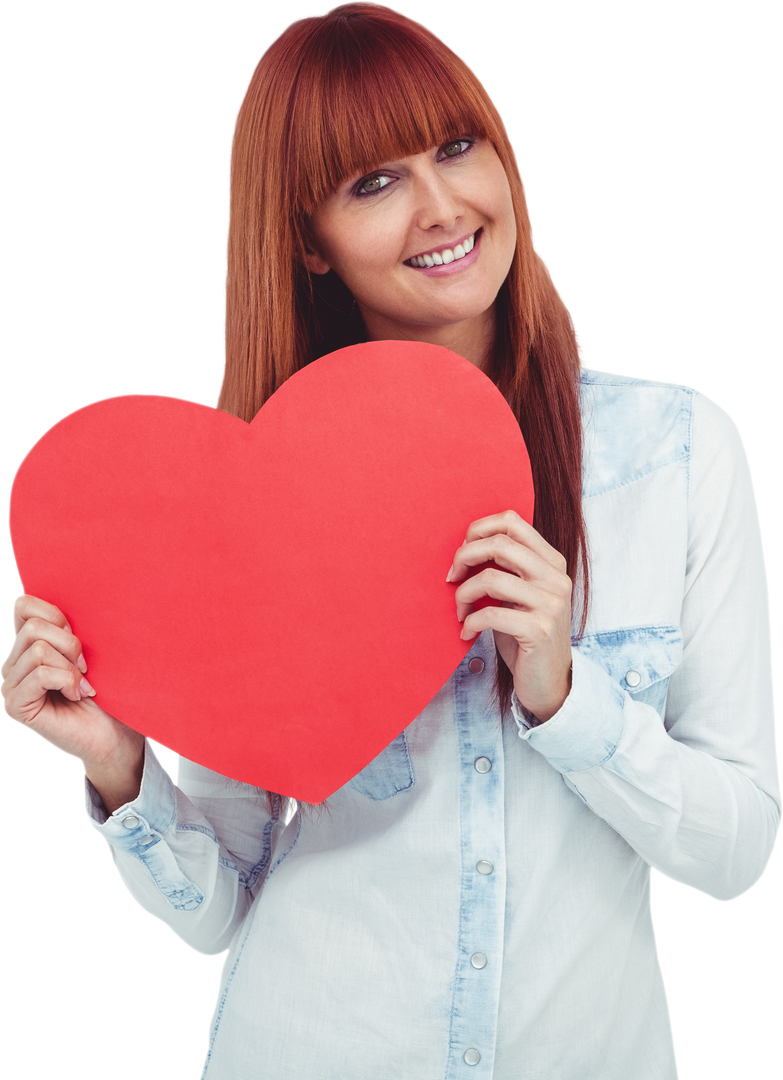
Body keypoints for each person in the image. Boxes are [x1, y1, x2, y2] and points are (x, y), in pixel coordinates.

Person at [1, 4, 779, 1077]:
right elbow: (219, 914)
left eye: (456, 147)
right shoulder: (246, 512)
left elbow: (736, 856)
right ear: (308, 242)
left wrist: (564, 694)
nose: (441, 205)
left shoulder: (676, 450)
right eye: (373, 183)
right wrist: (120, 766)